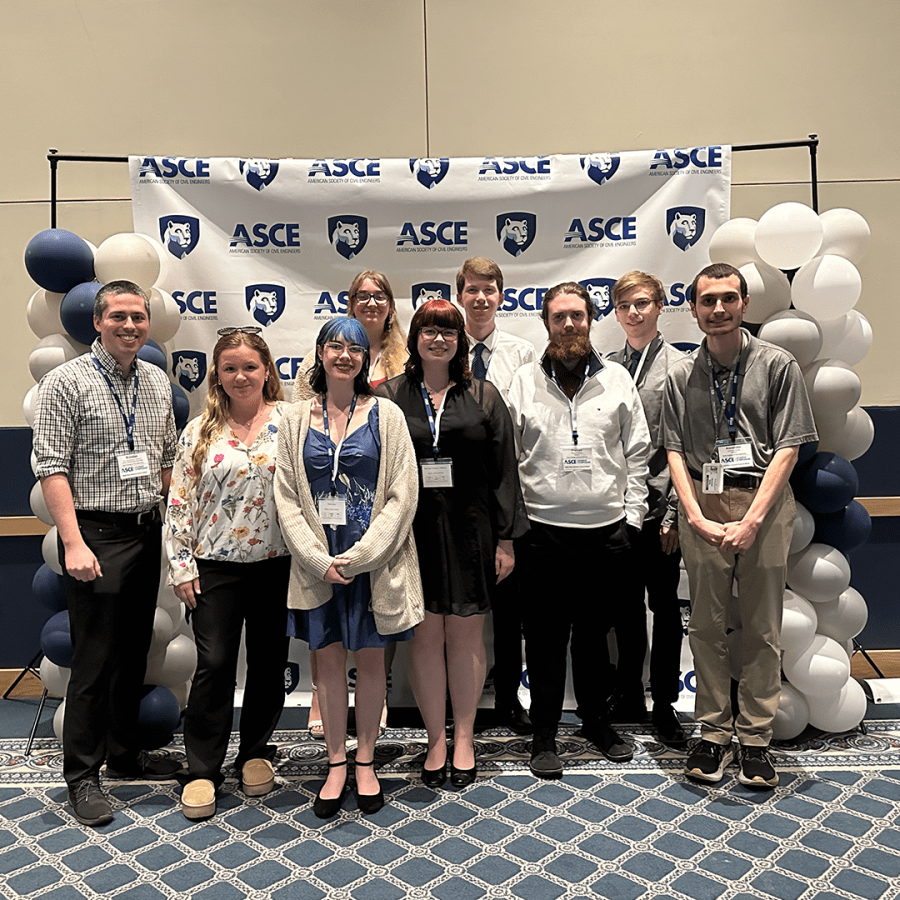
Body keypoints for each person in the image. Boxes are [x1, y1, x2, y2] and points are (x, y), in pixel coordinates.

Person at [663, 263, 817, 789]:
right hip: (702, 504)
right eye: (708, 301)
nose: (719, 309)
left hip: (763, 503)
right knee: (705, 624)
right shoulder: (682, 374)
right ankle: (713, 733)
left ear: (745, 305)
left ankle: (755, 740)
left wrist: (751, 520)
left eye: (728, 299)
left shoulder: (778, 365)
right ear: (694, 309)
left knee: (760, 626)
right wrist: (694, 515)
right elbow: (675, 452)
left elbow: (790, 447)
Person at [32, 280, 180, 827]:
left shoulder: (155, 382)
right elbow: (52, 467)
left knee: (131, 652)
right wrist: (72, 542)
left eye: (139, 317)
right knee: (93, 661)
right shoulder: (65, 382)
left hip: (146, 530)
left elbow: (166, 459)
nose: (131, 326)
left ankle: (123, 754)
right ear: (97, 321)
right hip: (94, 534)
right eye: (118, 316)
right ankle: (82, 777)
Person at [376, 299, 528, 789]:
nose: (438, 339)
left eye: (448, 331)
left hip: (472, 531)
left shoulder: (484, 396)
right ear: (415, 338)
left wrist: (505, 539)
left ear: (461, 341)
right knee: (423, 638)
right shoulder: (390, 395)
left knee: (464, 637)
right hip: (410, 533)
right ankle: (434, 742)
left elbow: (505, 472)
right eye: (429, 330)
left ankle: (463, 738)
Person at [275, 317, 424, 817]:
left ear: (366, 359)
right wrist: (320, 561)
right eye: (334, 346)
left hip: (373, 567)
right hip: (318, 569)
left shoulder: (387, 414)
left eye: (355, 348)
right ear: (319, 354)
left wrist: (362, 557)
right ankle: (336, 762)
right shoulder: (295, 418)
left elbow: (404, 496)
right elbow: (287, 498)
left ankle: (366, 760)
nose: (344, 355)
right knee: (329, 666)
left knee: (373, 665)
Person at [507, 282, 651, 778]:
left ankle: (596, 721)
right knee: (545, 640)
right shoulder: (524, 381)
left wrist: (632, 519)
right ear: (546, 323)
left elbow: (638, 451)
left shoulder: (616, 380)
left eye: (578, 316)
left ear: (592, 321)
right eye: (559, 317)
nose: (569, 325)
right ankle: (545, 732)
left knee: (594, 636)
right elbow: (509, 458)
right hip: (542, 533)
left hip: (606, 532)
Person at [165, 327, 290, 820]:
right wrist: (180, 565)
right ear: (218, 374)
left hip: (277, 566)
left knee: (266, 663)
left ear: (267, 372)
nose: (241, 376)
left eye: (250, 367)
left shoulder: (291, 423)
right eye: (231, 368)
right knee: (214, 665)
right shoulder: (199, 429)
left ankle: (256, 751)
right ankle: (202, 769)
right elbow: (178, 501)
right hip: (213, 568)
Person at [293, 272, 408, 739]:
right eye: (362, 296)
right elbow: (295, 471)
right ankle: (327, 709)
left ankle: (366, 736)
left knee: (373, 638)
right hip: (319, 536)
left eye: (379, 295)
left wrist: (368, 550)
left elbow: (400, 481)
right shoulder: (304, 398)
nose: (371, 302)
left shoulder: (402, 362)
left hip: (374, 529)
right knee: (327, 642)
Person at [607, 271, 688, 749]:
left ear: (660, 306)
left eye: (642, 303)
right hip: (617, 513)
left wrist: (677, 512)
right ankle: (628, 695)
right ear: (615, 313)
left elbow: (689, 446)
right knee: (625, 611)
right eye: (624, 306)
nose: (633, 313)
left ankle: (664, 707)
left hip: (660, 513)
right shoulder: (608, 367)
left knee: (663, 608)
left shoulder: (679, 366)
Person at [456, 257, 536, 735]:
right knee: (456, 605)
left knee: (510, 610)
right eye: (472, 290)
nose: (481, 298)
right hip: (457, 495)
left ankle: (508, 698)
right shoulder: (441, 346)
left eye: (490, 290)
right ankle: (454, 696)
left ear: (501, 296)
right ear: (461, 295)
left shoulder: (523, 353)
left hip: (507, 493)